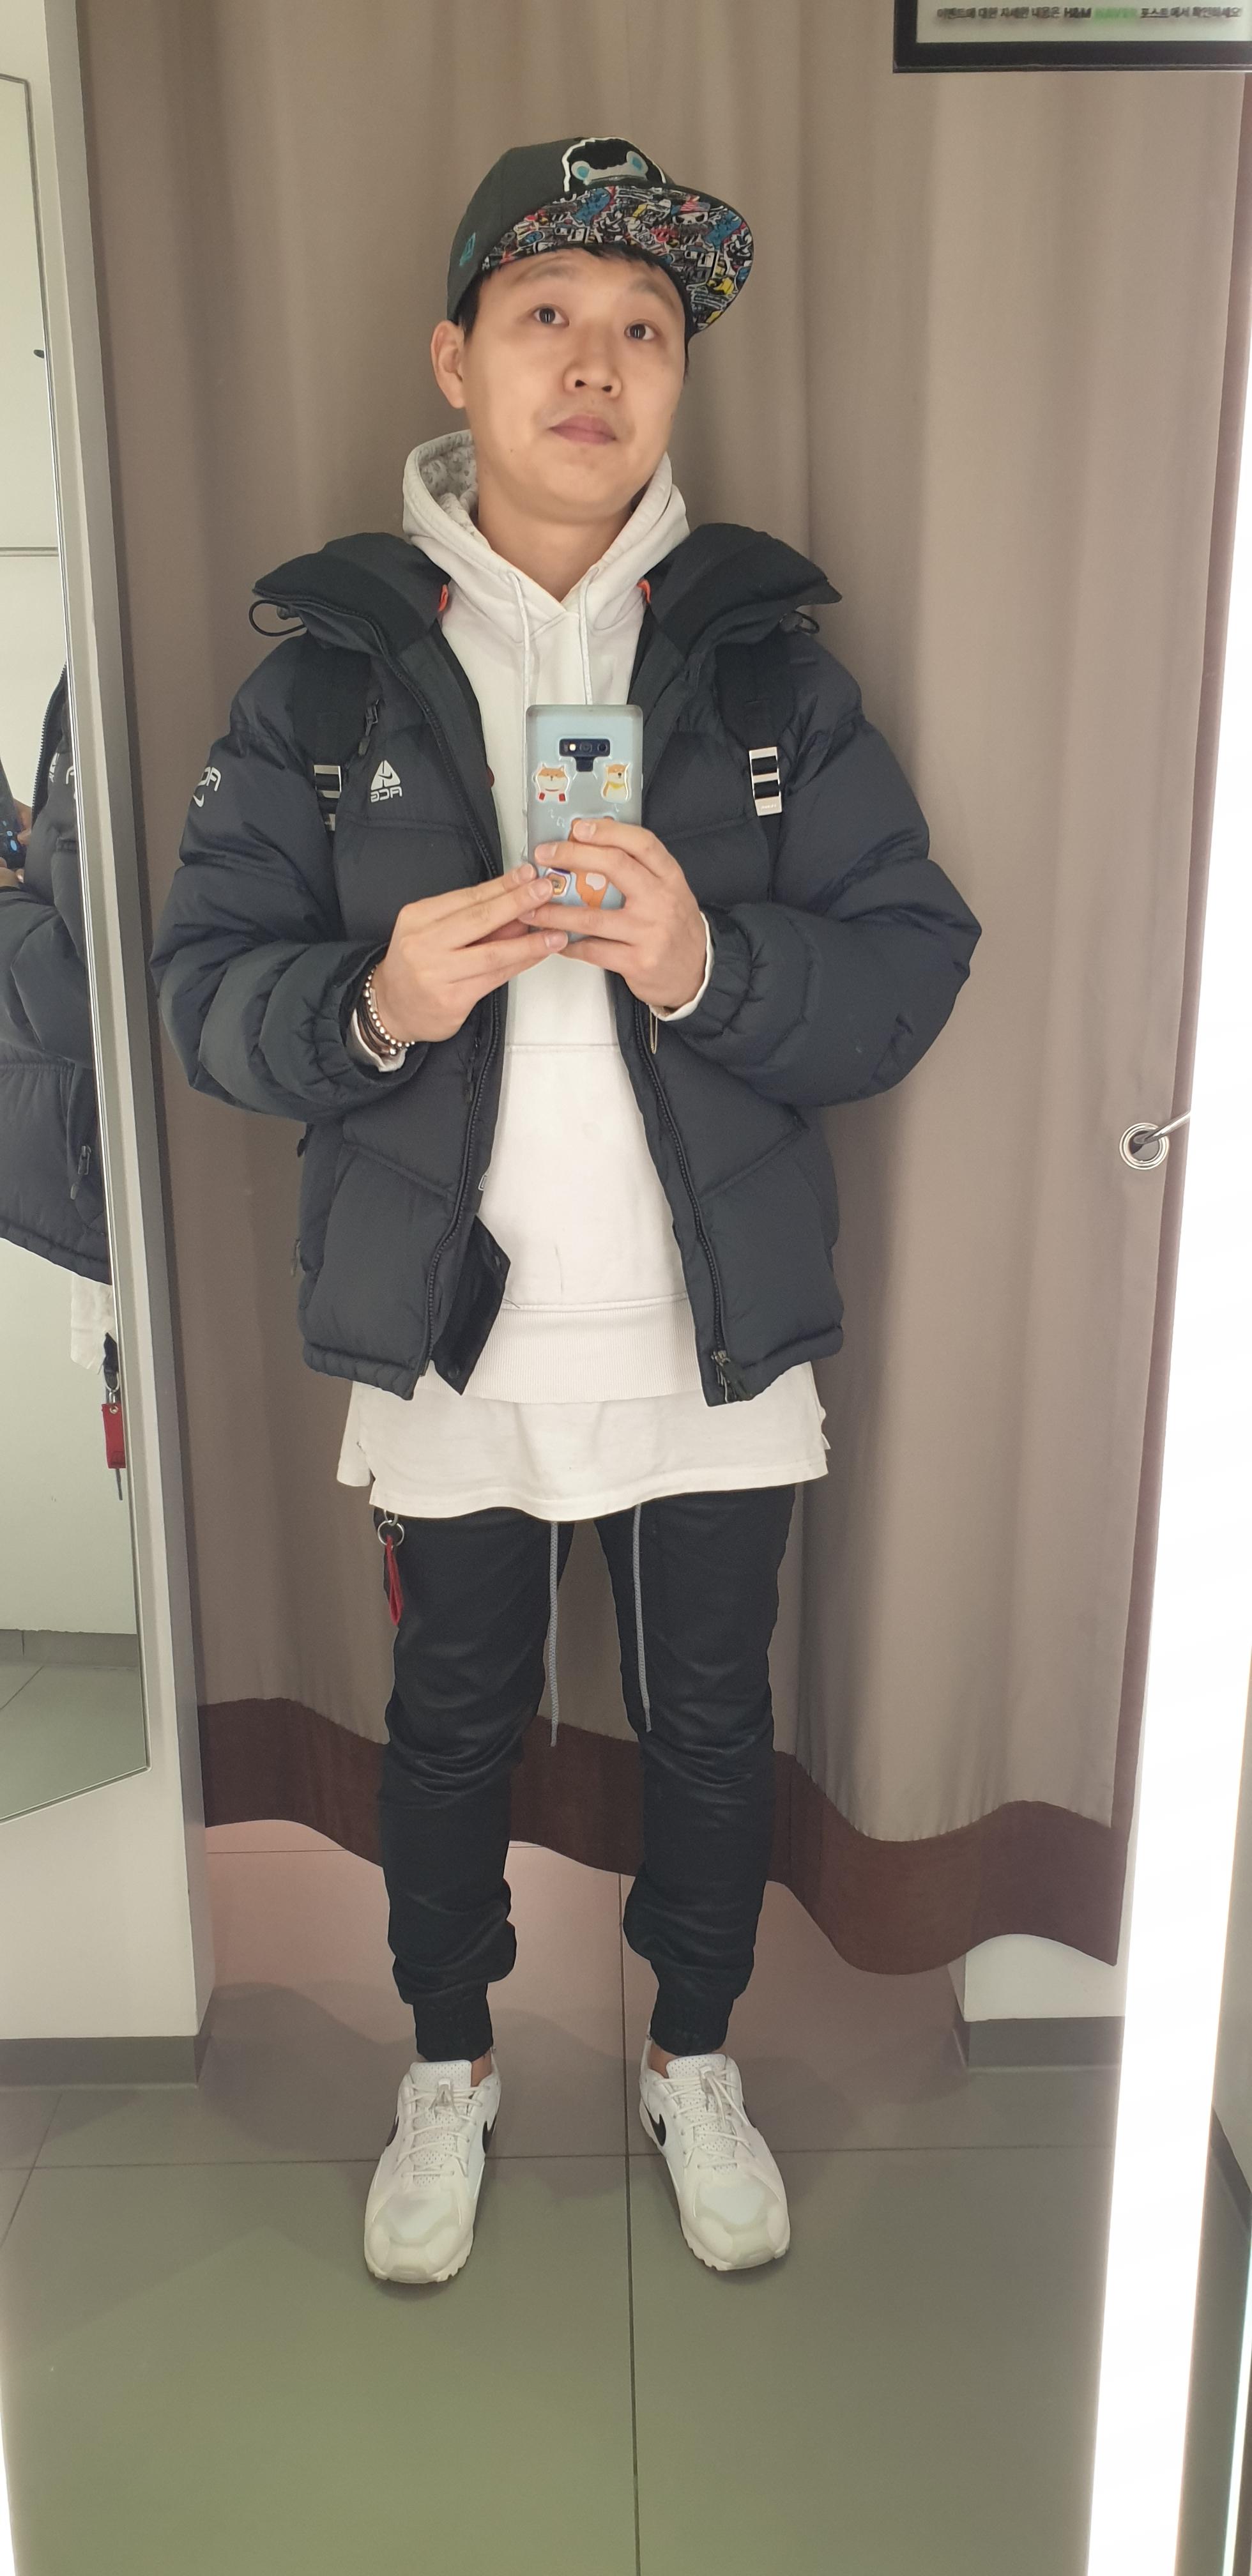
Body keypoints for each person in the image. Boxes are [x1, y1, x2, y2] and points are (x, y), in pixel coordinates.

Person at [151, 136, 981, 2285]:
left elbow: (911, 958)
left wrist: (711, 962)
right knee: (449, 1724)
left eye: (643, 328)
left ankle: (694, 2055)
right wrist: (378, 1000)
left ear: (678, 379)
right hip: (450, 1324)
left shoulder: (767, 667)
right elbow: (201, 995)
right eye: (547, 316)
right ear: (457, 356)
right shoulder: (327, 679)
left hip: (712, 1326)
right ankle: (449, 2064)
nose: (597, 363)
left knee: (714, 1723)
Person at [0, 668, 116, 1378]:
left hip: (110, 1184)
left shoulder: (125, 649)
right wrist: (36, 843)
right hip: (81, 1174)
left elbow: (95, 1004)